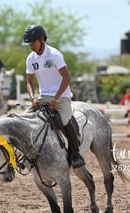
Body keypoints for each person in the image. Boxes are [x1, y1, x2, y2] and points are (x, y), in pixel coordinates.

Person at [22, 25, 85, 168]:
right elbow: (29, 82)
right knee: (25, 120)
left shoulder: (55, 54)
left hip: (61, 96)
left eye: (32, 42)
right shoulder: (30, 59)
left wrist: (56, 99)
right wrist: (32, 98)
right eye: (28, 44)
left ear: (42, 39)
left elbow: (67, 78)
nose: (30, 46)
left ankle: (75, 154)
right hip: (43, 96)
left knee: (62, 121)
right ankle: (25, 155)